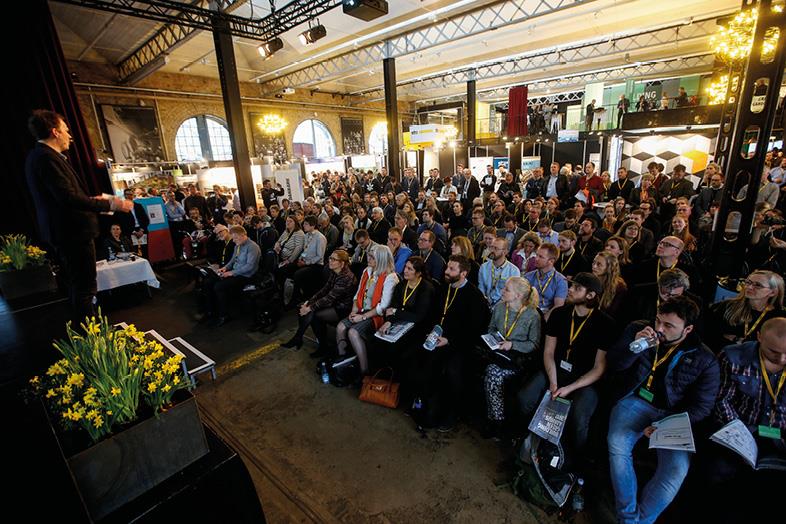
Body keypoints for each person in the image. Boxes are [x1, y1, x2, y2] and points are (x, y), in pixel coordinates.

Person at [607, 296, 719, 524]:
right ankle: (628, 517)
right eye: (658, 320)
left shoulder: (704, 359)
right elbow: (615, 364)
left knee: (676, 470)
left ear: (687, 329)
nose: (659, 329)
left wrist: (664, 424)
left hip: (672, 415)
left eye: (668, 326)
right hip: (636, 400)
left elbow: (702, 407)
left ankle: (642, 521)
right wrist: (633, 349)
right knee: (618, 443)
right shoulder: (639, 330)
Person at [24, 109, 133, 319]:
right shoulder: (46, 158)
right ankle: (92, 339)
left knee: (80, 286)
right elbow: (68, 198)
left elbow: (65, 196)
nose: (70, 135)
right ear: (55, 132)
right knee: (84, 288)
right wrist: (113, 204)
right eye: (65, 130)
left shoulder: (41, 157)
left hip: (67, 231)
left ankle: (89, 332)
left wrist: (96, 200)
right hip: (72, 233)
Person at [518, 272, 612, 468]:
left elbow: (598, 368)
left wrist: (569, 388)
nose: (570, 289)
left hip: (583, 379)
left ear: (591, 295)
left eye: (577, 288)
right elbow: (548, 352)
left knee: (579, 418)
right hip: (554, 371)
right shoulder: (560, 314)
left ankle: (577, 462)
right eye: (572, 286)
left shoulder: (605, 323)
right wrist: (553, 382)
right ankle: (531, 441)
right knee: (525, 398)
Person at [702, 317, 786, 489]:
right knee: (717, 471)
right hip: (743, 428)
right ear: (759, 337)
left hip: (782, 433)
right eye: (773, 352)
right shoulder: (732, 357)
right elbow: (723, 400)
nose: (782, 359)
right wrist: (738, 434)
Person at [409, 255, 490, 431]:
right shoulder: (444, 289)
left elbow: (474, 330)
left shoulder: (475, 297)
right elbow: (433, 315)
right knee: (416, 357)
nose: (446, 272)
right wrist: (430, 332)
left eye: (452, 269)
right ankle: (422, 403)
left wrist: (449, 340)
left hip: (459, 344)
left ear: (463, 273)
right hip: (436, 338)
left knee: (453, 373)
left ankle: (452, 413)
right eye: (447, 268)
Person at [482, 277, 542, 439]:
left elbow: (534, 344)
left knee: (493, 374)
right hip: (497, 352)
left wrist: (512, 344)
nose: (502, 291)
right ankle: (494, 417)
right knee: (490, 370)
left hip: (517, 359)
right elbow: (491, 327)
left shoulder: (532, 315)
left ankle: (496, 420)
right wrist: (494, 338)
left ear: (518, 296)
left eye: (507, 289)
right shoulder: (500, 307)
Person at [335, 244, 399, 377]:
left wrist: (362, 317)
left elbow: (383, 307)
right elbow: (358, 294)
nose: (368, 259)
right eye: (369, 256)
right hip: (361, 310)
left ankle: (364, 371)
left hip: (375, 315)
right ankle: (344, 361)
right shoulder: (368, 271)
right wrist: (354, 310)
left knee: (353, 332)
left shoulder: (390, 277)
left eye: (372, 257)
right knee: (340, 327)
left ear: (381, 259)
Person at [282, 249, 357, 357]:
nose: (330, 261)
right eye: (330, 258)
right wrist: (309, 301)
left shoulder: (346, 277)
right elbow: (324, 290)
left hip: (343, 308)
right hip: (334, 303)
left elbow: (329, 298)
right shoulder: (335, 271)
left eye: (334, 259)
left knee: (314, 314)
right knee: (304, 307)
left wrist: (310, 307)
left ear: (342, 263)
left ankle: (310, 342)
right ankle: (303, 339)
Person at [377, 256, 436, 376]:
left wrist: (396, 312)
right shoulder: (401, 285)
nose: (405, 271)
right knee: (378, 342)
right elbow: (393, 307)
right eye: (405, 267)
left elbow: (419, 316)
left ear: (418, 273)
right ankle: (381, 379)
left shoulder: (426, 288)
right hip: (400, 322)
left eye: (410, 269)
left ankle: (396, 381)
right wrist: (389, 321)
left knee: (399, 349)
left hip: (418, 327)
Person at [705, 270, 785, 352]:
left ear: (772, 293)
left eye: (758, 285)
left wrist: (737, 339)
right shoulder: (725, 306)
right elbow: (708, 334)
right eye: (748, 282)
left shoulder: (780, 318)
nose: (749, 287)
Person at [201, 225, 261, 326]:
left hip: (246, 276)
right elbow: (233, 260)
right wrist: (225, 268)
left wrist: (231, 273)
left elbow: (250, 267)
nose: (233, 240)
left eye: (235, 238)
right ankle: (210, 311)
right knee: (208, 282)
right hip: (236, 272)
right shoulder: (238, 245)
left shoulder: (253, 247)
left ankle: (224, 315)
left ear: (242, 235)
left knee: (219, 286)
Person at [524, 243, 568, 320]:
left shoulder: (561, 281)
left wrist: (542, 320)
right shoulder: (528, 276)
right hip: (526, 314)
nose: (536, 258)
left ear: (551, 261)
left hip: (546, 317)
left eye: (540, 257)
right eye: (536, 255)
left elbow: (558, 306)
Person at [478, 237, 521, 307]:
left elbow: (512, 295)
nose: (492, 250)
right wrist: (483, 301)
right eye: (492, 247)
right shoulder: (483, 267)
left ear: (505, 251)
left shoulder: (514, 271)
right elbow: (481, 288)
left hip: (504, 306)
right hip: (484, 304)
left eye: (496, 248)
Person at [592, 250, 628, 318]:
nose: (594, 266)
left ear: (609, 267)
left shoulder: (619, 287)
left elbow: (613, 313)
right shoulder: (590, 280)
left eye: (599, 264)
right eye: (593, 262)